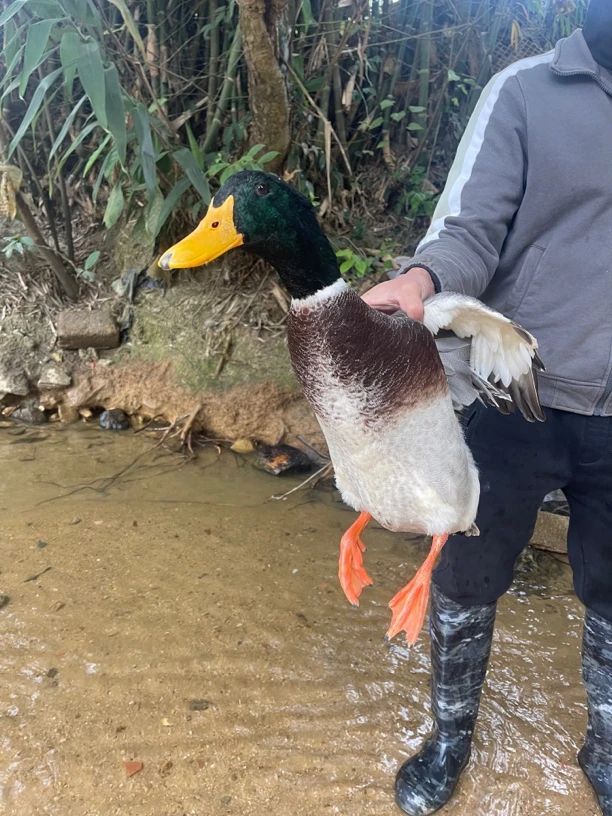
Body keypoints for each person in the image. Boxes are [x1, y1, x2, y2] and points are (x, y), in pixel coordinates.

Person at [362, 2, 612, 814]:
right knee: (467, 576)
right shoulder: (528, 92)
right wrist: (422, 281)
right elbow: (470, 229)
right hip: (516, 395)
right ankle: (448, 737)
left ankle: (606, 747)